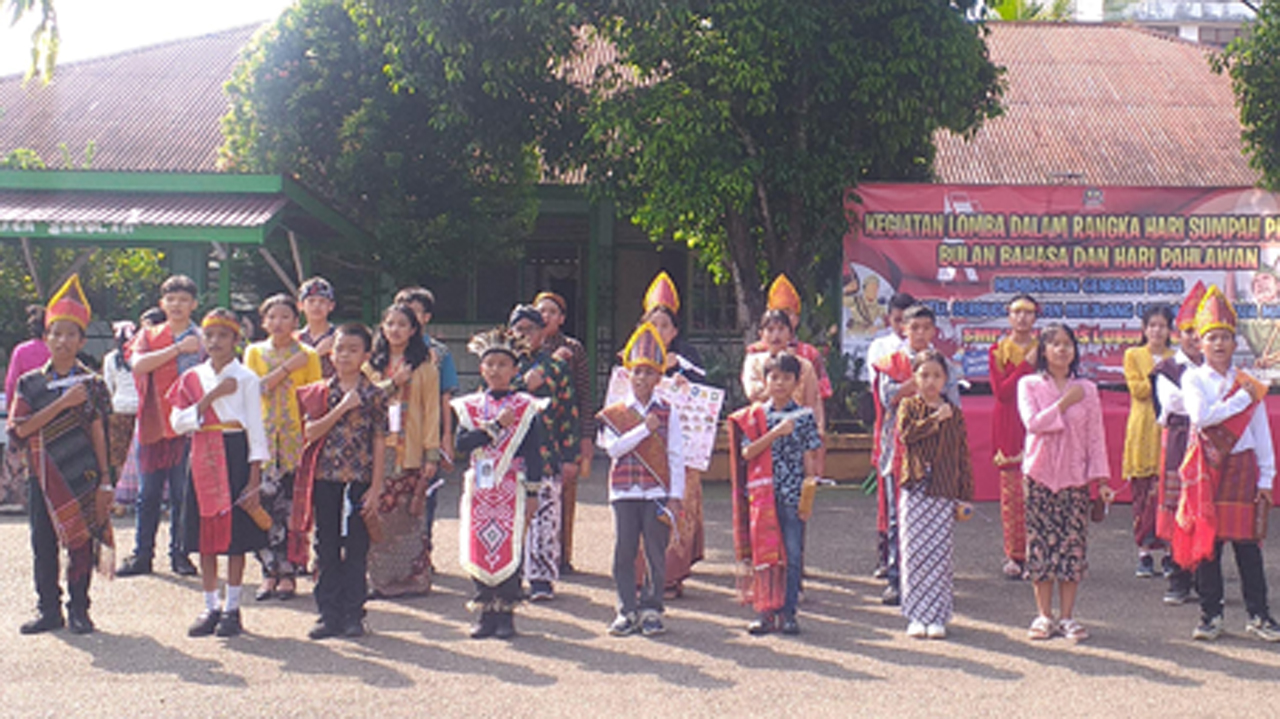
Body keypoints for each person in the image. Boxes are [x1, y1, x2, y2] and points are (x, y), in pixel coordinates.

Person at [8, 275, 112, 635]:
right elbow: (20, 428)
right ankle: (48, 610)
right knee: (43, 544)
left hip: (82, 474)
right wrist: (63, 404)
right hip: (42, 473)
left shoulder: (93, 383)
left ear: (82, 340)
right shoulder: (31, 383)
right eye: (56, 333)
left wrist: (106, 479)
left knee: (81, 543)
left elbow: (100, 431)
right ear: (46, 338)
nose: (62, 340)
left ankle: (80, 609)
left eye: (70, 334)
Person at [1176, 286, 1280, 642]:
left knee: (1248, 546)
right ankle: (1210, 615)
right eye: (1212, 338)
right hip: (1209, 469)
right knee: (1210, 546)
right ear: (1200, 344)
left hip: (1243, 469)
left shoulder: (1246, 382)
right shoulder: (1193, 378)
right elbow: (1201, 417)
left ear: (1236, 343)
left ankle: (1259, 616)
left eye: (1225, 338)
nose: (1219, 344)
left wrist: (1267, 477)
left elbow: (1261, 432)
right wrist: (1241, 400)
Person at [168, 308, 270, 638]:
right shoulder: (192, 378)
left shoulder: (247, 379)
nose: (215, 342)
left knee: (236, 535)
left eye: (223, 335)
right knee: (205, 534)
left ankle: (233, 607)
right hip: (201, 452)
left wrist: (255, 476)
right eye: (209, 335)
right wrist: (211, 397)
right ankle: (210, 604)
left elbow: (255, 428)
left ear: (236, 340)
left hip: (234, 450)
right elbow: (177, 422)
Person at [1018, 323, 1115, 642]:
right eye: (1055, 344)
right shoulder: (1029, 384)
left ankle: (1069, 617)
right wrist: (1063, 403)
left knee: (1072, 546)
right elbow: (1033, 424)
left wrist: (1100, 479)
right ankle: (1044, 615)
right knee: (1041, 545)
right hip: (1039, 475)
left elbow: (1096, 438)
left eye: (1068, 344)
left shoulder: (1087, 389)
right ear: (1043, 350)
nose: (1062, 350)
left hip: (1075, 479)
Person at [452, 327, 546, 639]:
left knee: (509, 545)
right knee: (480, 543)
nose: (495, 370)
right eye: (490, 364)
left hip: (512, 485)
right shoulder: (470, 407)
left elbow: (534, 452)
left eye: (502, 364)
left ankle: (506, 612)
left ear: (515, 370)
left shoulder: (526, 406)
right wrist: (493, 427)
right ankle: (484, 611)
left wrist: (533, 492)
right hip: (480, 486)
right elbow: (462, 444)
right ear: (481, 368)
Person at [295, 323, 387, 639]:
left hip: (360, 478)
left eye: (352, 349)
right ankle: (327, 614)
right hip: (326, 477)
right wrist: (342, 407)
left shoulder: (375, 394)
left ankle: (354, 614)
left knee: (358, 548)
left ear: (366, 355)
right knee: (326, 545)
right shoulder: (320, 391)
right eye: (339, 348)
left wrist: (376, 488)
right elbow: (310, 432)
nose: (344, 355)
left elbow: (379, 441)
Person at [598, 322, 686, 636]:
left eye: (649, 373)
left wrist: (676, 496)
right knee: (623, 550)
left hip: (656, 491)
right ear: (628, 374)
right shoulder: (615, 412)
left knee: (654, 551)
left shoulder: (668, 411)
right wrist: (643, 430)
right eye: (637, 372)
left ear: (659, 377)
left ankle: (651, 608)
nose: (642, 379)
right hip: (623, 491)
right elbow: (613, 449)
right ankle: (625, 610)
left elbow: (676, 454)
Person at [728, 353, 823, 635]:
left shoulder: (804, 416)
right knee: (765, 555)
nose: (779, 383)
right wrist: (776, 433)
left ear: (796, 382)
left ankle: (789, 612)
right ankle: (764, 611)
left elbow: (810, 457)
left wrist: (809, 491)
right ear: (766, 381)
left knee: (792, 555)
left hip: (792, 494)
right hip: (763, 495)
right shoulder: (757, 415)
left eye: (786, 378)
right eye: (774, 377)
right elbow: (748, 452)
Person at [874, 304, 959, 606]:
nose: (921, 333)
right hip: (898, 448)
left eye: (926, 328)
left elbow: (954, 406)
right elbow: (888, 398)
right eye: (915, 328)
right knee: (899, 518)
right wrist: (919, 381)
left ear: (934, 331)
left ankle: (934, 581)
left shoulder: (944, 363)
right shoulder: (891, 362)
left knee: (936, 517)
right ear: (903, 330)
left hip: (936, 452)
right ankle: (898, 580)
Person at [119, 274, 204, 577]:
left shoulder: (204, 338)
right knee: (148, 494)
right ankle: (142, 555)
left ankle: (180, 554)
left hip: (188, 426)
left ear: (194, 304)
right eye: (171, 299)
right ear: (161, 303)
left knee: (183, 494)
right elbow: (138, 364)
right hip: (153, 423)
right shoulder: (149, 334)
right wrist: (178, 349)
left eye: (183, 299)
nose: (177, 304)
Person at [244, 294, 323, 600]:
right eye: (272, 317)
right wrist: (288, 368)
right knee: (262, 507)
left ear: (295, 321)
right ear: (263, 321)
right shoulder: (253, 352)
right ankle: (267, 571)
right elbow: (255, 390)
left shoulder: (309, 354)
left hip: (295, 442)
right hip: (263, 441)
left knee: (292, 509)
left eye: (285, 317)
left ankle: (289, 571)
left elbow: (316, 398)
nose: (278, 323)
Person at [896, 350, 974, 639]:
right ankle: (916, 614)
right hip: (915, 489)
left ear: (945, 380)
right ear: (915, 377)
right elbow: (907, 436)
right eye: (924, 374)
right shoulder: (908, 406)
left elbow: (962, 456)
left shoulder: (954, 413)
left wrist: (966, 495)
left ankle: (938, 615)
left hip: (943, 490)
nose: (930, 381)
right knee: (914, 552)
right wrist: (934, 420)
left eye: (937, 376)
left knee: (939, 555)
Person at [365, 303, 441, 597]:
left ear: (413, 330)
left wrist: (431, 453)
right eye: (390, 323)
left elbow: (432, 410)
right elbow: (365, 399)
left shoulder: (425, 367)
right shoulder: (370, 366)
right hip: (377, 452)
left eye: (402, 324)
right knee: (377, 515)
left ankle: (412, 579)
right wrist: (391, 384)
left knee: (409, 518)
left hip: (411, 451)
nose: (395, 329)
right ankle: (379, 580)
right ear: (382, 328)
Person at [638, 271, 707, 597]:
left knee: (678, 504)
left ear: (675, 330)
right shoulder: (632, 358)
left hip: (680, 447)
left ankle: (671, 575)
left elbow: (705, 400)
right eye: (653, 323)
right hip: (642, 446)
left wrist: (686, 385)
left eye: (666, 325)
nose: (660, 330)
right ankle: (641, 573)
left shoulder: (688, 360)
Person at [509, 304, 579, 601]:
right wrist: (522, 385)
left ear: (542, 334)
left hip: (547, 452)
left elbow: (568, 413)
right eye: (519, 330)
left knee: (544, 517)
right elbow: (489, 399)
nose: (525, 336)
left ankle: (541, 578)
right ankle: (508, 574)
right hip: (509, 455)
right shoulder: (501, 363)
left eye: (532, 330)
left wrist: (571, 455)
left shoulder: (557, 367)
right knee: (511, 517)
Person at [1151, 281, 1206, 605]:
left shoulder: (1218, 369)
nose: (1195, 339)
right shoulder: (1167, 369)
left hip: (1210, 446)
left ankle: (1205, 578)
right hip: (1180, 444)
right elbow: (1178, 404)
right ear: (1178, 335)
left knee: (1205, 509)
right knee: (1178, 510)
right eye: (1188, 332)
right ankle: (1178, 577)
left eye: (1201, 332)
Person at [394, 287, 458, 561]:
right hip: (390, 438)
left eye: (415, 311)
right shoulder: (382, 350)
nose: (408, 316)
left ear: (426, 317)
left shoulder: (438, 353)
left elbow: (443, 399)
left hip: (424, 434)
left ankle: (422, 554)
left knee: (423, 495)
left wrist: (446, 437)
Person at [534, 290, 592, 574]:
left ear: (562, 318)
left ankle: (562, 554)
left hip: (564, 428)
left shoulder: (573, 348)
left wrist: (586, 436)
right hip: (533, 430)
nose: (546, 316)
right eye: (541, 311)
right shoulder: (523, 345)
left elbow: (583, 394)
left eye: (552, 312)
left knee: (565, 491)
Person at [1123, 304, 1176, 579]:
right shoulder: (1133, 355)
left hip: (1169, 428)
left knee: (1167, 493)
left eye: (1162, 326)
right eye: (1152, 325)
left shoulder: (1175, 357)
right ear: (1144, 329)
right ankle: (1143, 553)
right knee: (1143, 494)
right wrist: (1157, 375)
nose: (1157, 330)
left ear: (1170, 330)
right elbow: (1139, 390)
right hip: (1143, 427)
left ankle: (1169, 552)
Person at [989, 294, 1038, 579]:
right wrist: (1026, 365)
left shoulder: (1044, 349)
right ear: (1008, 316)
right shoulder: (998, 350)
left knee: (1036, 492)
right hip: (1008, 420)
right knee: (1010, 493)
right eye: (1017, 311)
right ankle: (1014, 554)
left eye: (1028, 312)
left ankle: (1035, 552)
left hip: (1035, 422)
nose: (1022, 317)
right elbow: (1003, 392)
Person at [868, 291, 915, 579]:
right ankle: (887, 558)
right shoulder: (881, 347)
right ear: (889, 320)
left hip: (921, 431)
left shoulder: (926, 350)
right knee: (888, 496)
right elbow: (883, 392)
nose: (903, 328)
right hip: (890, 426)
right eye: (898, 321)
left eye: (908, 321)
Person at [747, 274, 833, 399]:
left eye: (788, 314)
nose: (782, 319)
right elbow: (753, 392)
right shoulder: (755, 353)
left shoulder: (810, 354)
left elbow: (823, 390)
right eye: (771, 328)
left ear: (797, 320)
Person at [742, 310, 824, 431]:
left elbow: (811, 404)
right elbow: (754, 394)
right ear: (761, 334)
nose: (776, 335)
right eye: (770, 330)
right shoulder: (753, 362)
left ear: (790, 334)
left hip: (798, 429)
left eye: (781, 329)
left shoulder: (805, 366)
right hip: (763, 428)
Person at [102, 321, 140, 512]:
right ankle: (140, 495)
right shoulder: (140, 357)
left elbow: (108, 386)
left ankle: (121, 501)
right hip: (140, 410)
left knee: (119, 455)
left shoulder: (110, 359)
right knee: (139, 455)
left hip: (119, 408)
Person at [297, 277, 338, 379]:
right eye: (311, 301)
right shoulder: (294, 339)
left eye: (322, 301)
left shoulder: (339, 337)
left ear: (331, 306)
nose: (316, 306)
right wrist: (317, 353)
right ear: (301, 305)